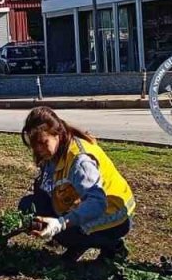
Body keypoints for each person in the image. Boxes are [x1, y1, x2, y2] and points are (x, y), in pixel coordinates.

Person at [18, 106, 136, 264]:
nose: (38, 149)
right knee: (29, 206)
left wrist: (60, 224)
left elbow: (97, 202)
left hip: (113, 215)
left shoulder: (80, 161)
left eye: (43, 142)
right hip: (88, 205)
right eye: (34, 144)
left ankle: (113, 246)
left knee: (65, 233)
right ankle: (78, 242)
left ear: (57, 134)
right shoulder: (55, 152)